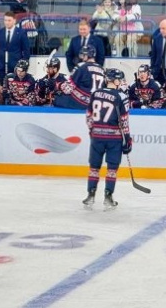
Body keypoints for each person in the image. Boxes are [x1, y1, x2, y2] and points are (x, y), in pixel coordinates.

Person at [83, 68, 132, 210]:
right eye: (120, 79)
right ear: (115, 81)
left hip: (97, 137)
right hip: (114, 139)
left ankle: (90, 195)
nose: (121, 82)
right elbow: (124, 121)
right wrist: (127, 139)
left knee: (94, 168)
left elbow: (88, 115)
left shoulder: (95, 93)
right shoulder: (121, 96)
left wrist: (92, 131)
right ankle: (108, 197)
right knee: (112, 169)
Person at [55, 45, 106, 109]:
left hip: (83, 103)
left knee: (57, 99)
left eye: (83, 55)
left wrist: (59, 85)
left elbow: (68, 89)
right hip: (97, 103)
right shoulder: (102, 69)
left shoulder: (81, 66)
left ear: (87, 55)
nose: (82, 57)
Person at [0, 11, 30, 85]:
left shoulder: (21, 33)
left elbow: (26, 51)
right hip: (1, 67)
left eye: (9, 20)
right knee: (3, 89)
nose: (7, 22)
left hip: (16, 67)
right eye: (5, 20)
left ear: (14, 21)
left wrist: (22, 66)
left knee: (15, 89)